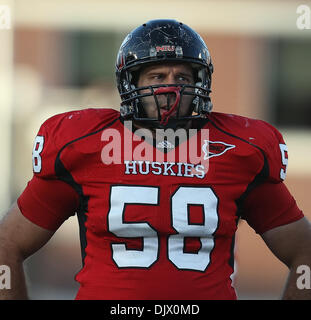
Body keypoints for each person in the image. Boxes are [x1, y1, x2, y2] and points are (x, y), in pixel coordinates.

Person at [0, 19, 311, 300]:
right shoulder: (85, 147)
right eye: (157, 75)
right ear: (131, 83)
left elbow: (304, 252)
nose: (170, 87)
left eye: (182, 76)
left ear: (200, 83)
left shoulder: (238, 151)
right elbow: (8, 245)